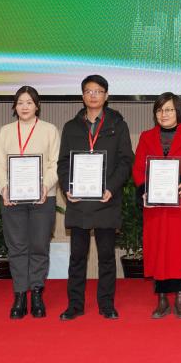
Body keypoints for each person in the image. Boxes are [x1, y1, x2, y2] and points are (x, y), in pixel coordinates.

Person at [57, 74, 134, 320]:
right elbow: (63, 163)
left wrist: (111, 187)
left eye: (98, 91)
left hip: (106, 200)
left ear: (106, 95)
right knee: (77, 257)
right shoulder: (71, 127)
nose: (93, 95)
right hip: (79, 201)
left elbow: (126, 161)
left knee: (106, 257)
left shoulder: (118, 125)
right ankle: (75, 305)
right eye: (89, 91)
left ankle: (106, 304)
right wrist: (67, 187)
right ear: (82, 96)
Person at [132, 92, 181, 319]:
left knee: (179, 252)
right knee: (157, 251)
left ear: (178, 112)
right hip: (155, 205)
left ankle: (180, 299)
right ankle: (162, 299)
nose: (164, 114)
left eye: (169, 110)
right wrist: (144, 189)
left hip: (180, 205)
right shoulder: (146, 137)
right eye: (160, 110)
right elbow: (138, 168)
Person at [0, 85, 60, 319]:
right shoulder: (6, 131)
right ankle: (20, 294)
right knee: (17, 247)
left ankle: (37, 293)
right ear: (15, 106)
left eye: (29, 102)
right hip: (12, 199)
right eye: (20, 102)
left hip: (43, 197)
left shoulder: (50, 130)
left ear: (37, 106)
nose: (24, 107)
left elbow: (55, 163)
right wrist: (4, 188)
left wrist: (45, 186)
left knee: (39, 246)